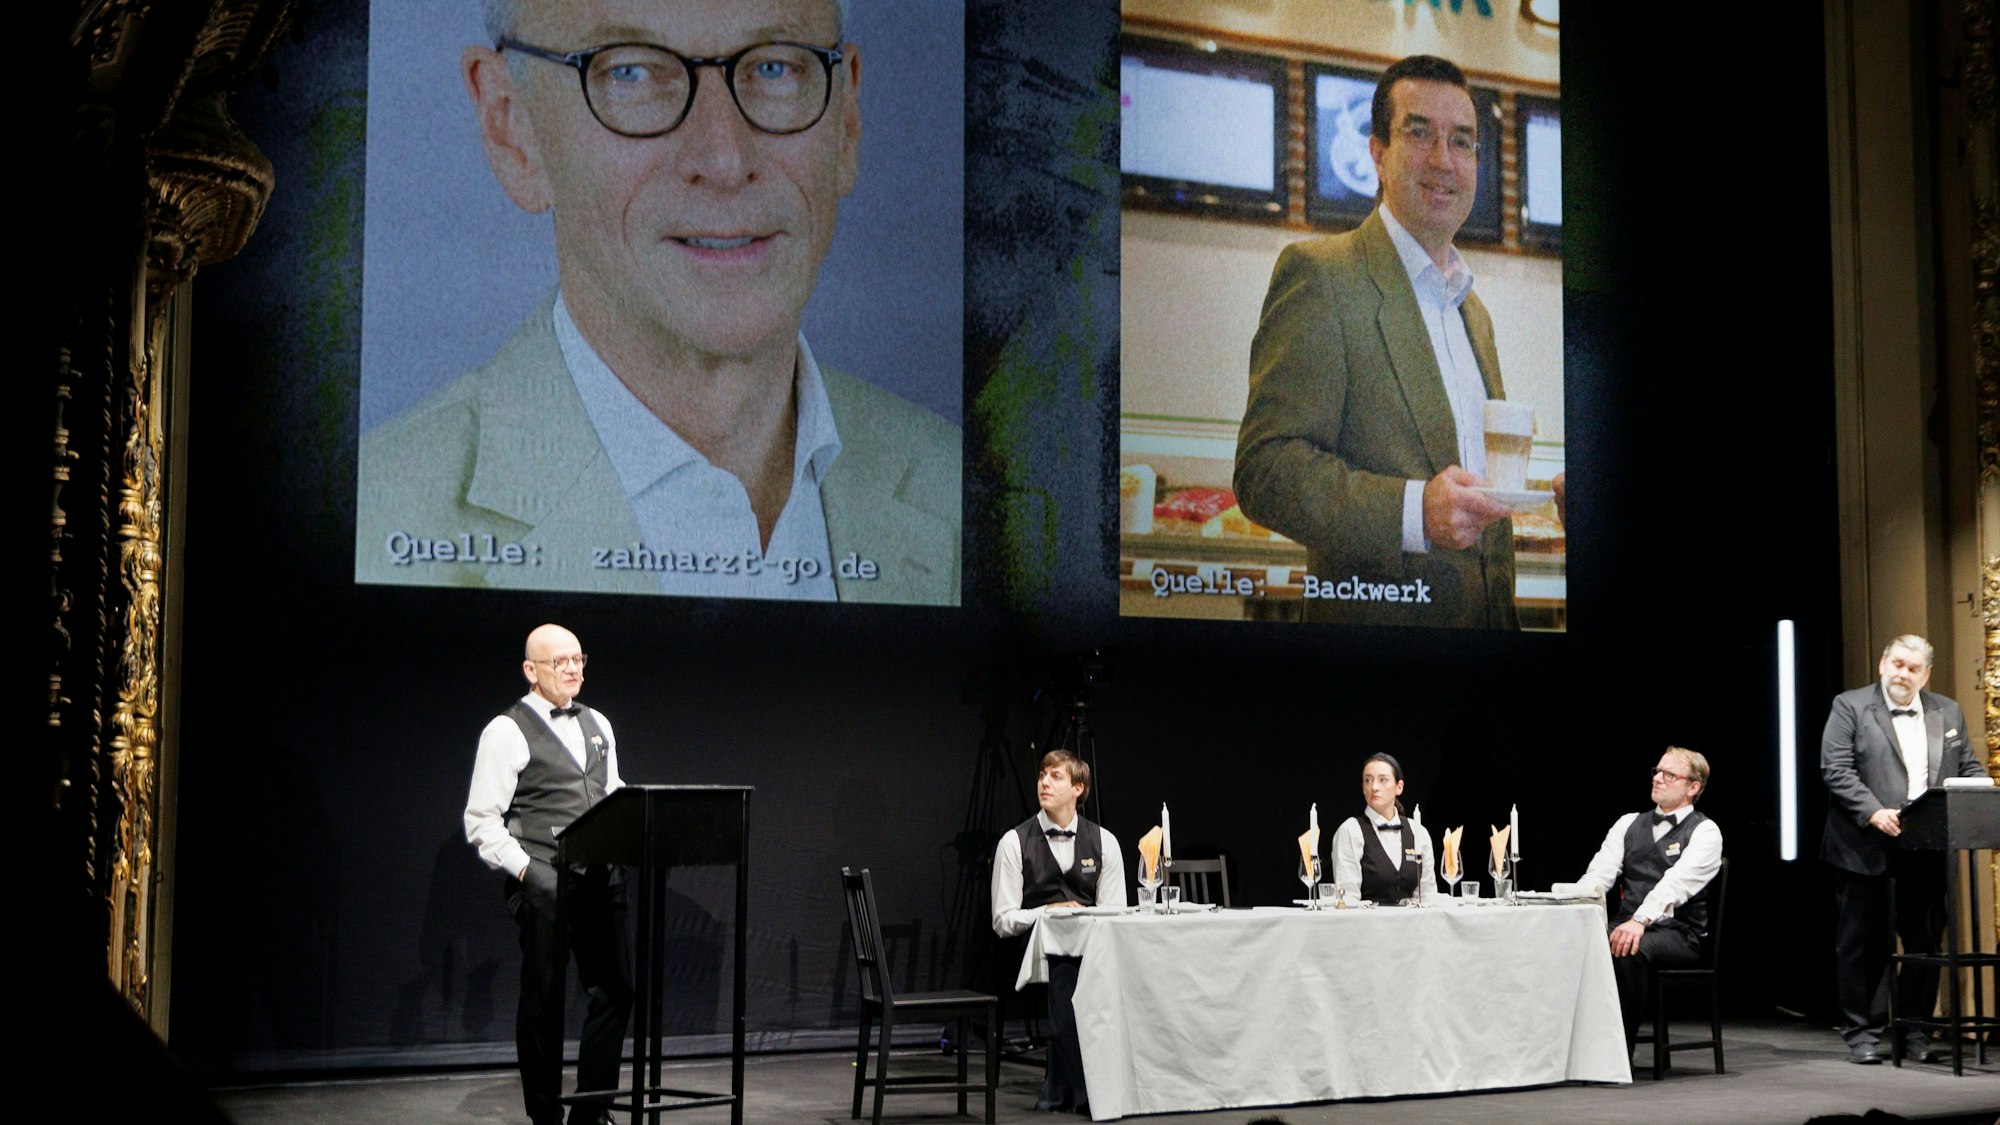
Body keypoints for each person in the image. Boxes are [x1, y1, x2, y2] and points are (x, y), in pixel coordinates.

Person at [356, 0, 959, 605]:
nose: (725, 161)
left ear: (846, 122)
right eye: (631, 74)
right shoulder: (372, 520)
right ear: (513, 129)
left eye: (775, 68)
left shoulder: (973, 495)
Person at [1234, 54, 1522, 629]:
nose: (1444, 161)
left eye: (1462, 141)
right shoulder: (1322, 275)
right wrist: (1415, 512)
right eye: (1420, 133)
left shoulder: (1474, 311)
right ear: (1378, 153)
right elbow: (1265, 469)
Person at [465, 624, 631, 1125]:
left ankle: (591, 1110)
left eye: (578, 658)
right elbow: (481, 820)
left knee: (616, 991)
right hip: (542, 882)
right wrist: (526, 872)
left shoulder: (598, 722)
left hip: (601, 880)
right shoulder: (506, 730)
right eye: (560, 661)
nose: (573, 668)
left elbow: (612, 790)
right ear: (531, 670)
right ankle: (545, 1116)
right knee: (544, 1003)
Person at [1820, 634, 1989, 1064]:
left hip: (1926, 847)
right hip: (1864, 844)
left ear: (1926, 673)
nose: (1903, 674)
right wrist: (1874, 811)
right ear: (1882, 663)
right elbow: (1835, 768)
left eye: (1913, 668)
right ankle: (1863, 1033)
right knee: (1863, 944)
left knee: (1923, 945)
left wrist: (1980, 788)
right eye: (1897, 664)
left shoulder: (1946, 710)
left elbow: (1967, 765)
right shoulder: (1851, 705)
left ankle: (1915, 1033)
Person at [990, 750, 1126, 1114]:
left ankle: (1105, 1084)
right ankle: (1079, 1093)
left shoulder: (1105, 843)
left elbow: (1116, 912)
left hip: (1091, 948)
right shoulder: (1014, 842)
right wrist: (1045, 912)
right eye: (1041, 776)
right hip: (1032, 950)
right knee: (1068, 967)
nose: (1044, 783)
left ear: (1078, 789)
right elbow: (1003, 920)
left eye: (1055, 777)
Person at [1570, 747, 1723, 1052]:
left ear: (1693, 787)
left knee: (1628, 949)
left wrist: (1639, 920)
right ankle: (1574, 1049)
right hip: (1626, 924)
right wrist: (1570, 907)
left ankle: (1616, 1054)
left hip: (1680, 933)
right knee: (1573, 941)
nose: (1658, 779)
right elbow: (1598, 876)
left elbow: (1675, 884)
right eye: (1657, 771)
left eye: (1670, 774)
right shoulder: (1628, 823)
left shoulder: (1705, 831)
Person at [1330, 752, 1437, 905]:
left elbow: (1427, 895)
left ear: (1399, 787)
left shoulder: (1417, 831)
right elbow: (1347, 898)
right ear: (1363, 788)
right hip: (1368, 925)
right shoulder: (1351, 831)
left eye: (1383, 780)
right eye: (1368, 780)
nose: (1374, 787)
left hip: (1413, 925)